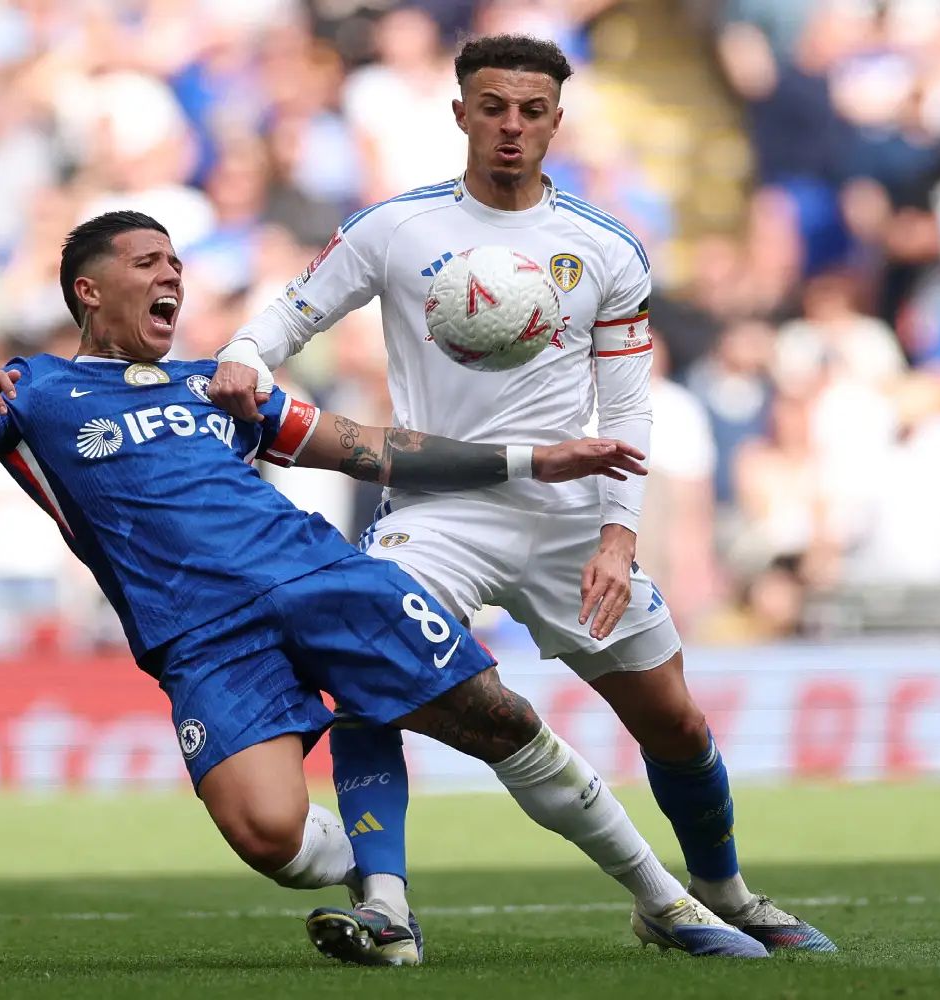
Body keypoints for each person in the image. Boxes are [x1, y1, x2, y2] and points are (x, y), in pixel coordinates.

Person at [0, 210, 770, 965]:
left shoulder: (219, 386)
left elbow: (371, 448)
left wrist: (535, 459)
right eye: (149, 263)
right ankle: (378, 891)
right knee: (269, 835)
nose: (172, 279)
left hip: (319, 577)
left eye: (178, 266)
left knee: (498, 721)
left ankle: (664, 901)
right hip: (199, 639)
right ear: (88, 289)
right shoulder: (34, 390)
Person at [209, 35, 835, 961]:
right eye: (493, 107)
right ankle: (386, 907)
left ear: (556, 121)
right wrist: (243, 357)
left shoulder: (605, 248)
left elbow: (627, 406)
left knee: (676, 720)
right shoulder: (394, 228)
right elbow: (290, 315)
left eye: (531, 111)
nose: (511, 126)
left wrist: (621, 538)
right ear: (460, 113)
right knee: (370, 685)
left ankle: (724, 889)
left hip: (569, 520)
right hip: (434, 514)